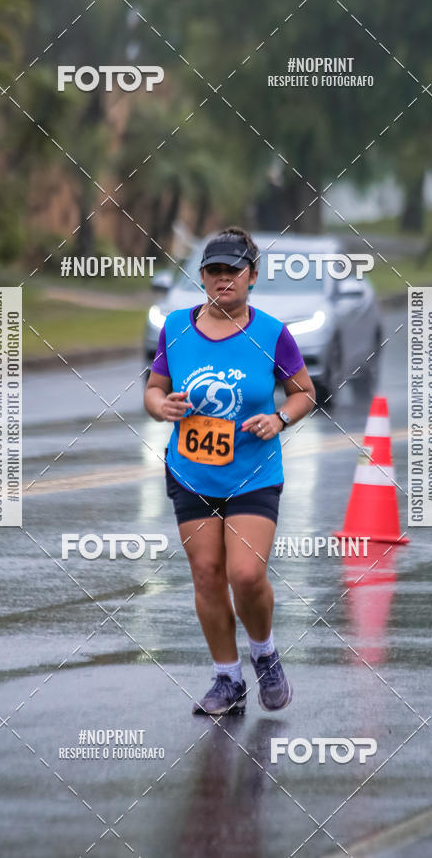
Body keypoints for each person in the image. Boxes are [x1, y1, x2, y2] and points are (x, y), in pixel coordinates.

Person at [143, 227, 315, 715]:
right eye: (214, 271)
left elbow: (305, 393)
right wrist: (163, 407)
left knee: (245, 574)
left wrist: (279, 418)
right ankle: (227, 678)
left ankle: (265, 654)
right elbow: (153, 390)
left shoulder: (271, 334)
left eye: (233, 271)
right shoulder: (176, 327)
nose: (223, 280)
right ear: (202, 277)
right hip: (191, 472)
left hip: (253, 473)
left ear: (251, 276)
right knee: (206, 573)